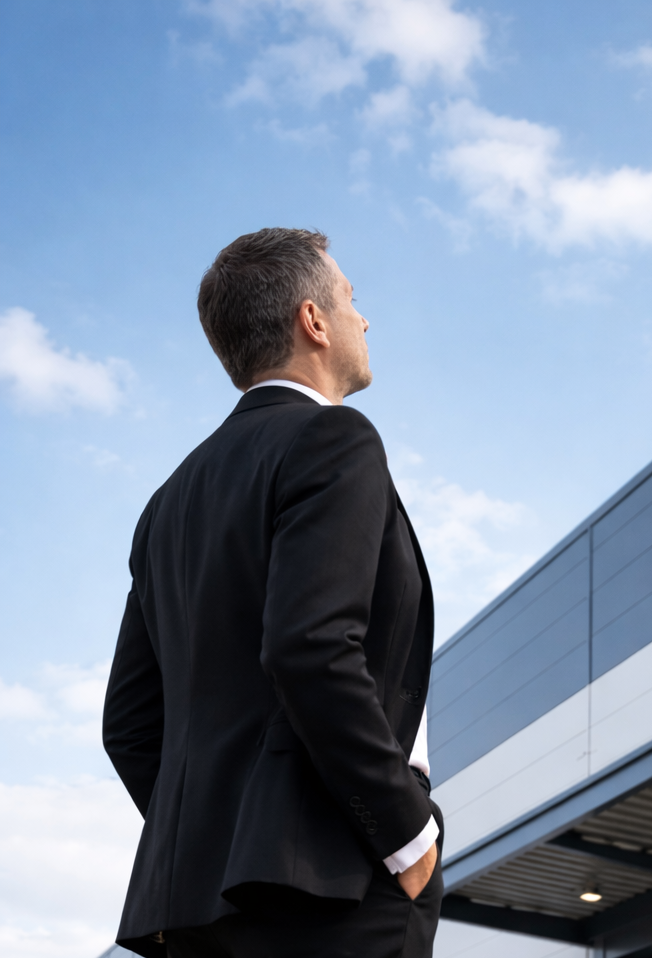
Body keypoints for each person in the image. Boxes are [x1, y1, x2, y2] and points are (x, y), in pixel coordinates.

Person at [102, 228, 442, 958]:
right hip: (332, 887)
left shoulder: (167, 504)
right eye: (351, 297)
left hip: (193, 901)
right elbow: (311, 645)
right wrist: (404, 833)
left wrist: (215, 834)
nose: (365, 318)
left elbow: (130, 724)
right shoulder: (335, 440)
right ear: (313, 321)